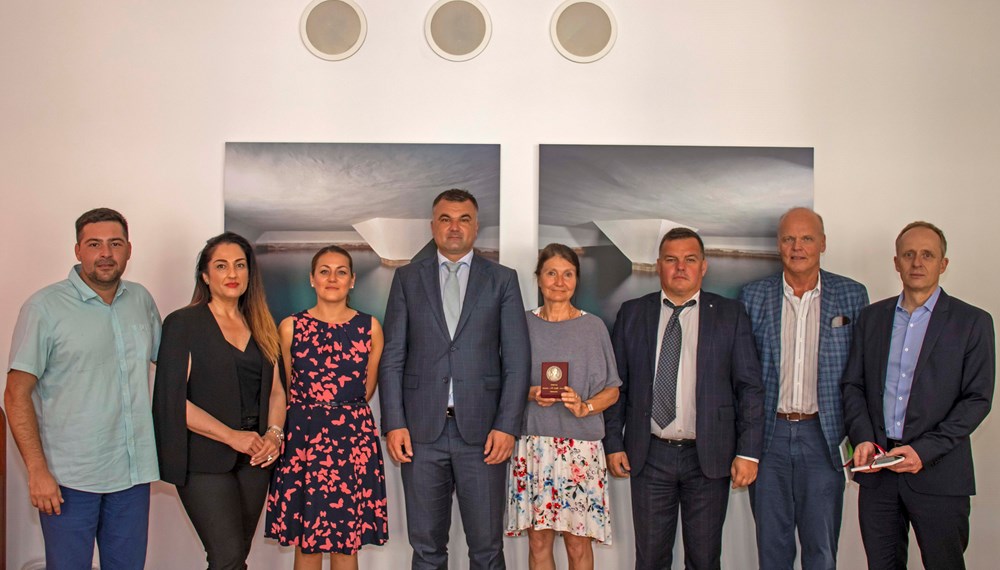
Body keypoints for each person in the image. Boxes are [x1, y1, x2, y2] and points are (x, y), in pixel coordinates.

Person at [379, 188, 531, 569]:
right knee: (427, 549)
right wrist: (394, 423)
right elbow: (393, 356)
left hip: (484, 436)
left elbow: (517, 361)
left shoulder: (502, 280)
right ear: (433, 226)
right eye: (445, 219)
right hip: (419, 435)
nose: (454, 227)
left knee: (486, 549)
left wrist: (507, 426)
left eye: (463, 219)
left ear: (476, 227)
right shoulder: (407, 279)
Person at [5, 208, 161, 569]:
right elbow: (15, 394)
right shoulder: (44, 307)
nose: (105, 253)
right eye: (94, 244)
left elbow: (171, 371)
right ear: (78, 250)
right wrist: (37, 471)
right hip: (68, 479)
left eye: (115, 243)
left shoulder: (141, 301)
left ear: (129, 250)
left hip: (132, 476)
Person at [603, 227, 764, 570]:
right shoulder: (632, 313)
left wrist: (748, 451)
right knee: (649, 559)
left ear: (703, 266)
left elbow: (749, 387)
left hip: (708, 456)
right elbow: (617, 386)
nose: (680, 268)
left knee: (705, 559)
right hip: (649, 454)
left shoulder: (730, 314)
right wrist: (613, 443)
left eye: (689, 260)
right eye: (671, 260)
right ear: (658, 265)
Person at [842, 221, 995, 570]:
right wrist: (863, 438)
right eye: (909, 254)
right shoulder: (872, 318)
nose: (917, 262)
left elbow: (977, 399)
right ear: (896, 262)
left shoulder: (972, 322)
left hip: (939, 475)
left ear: (943, 264)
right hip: (878, 473)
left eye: (928, 254)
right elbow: (853, 385)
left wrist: (923, 451)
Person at [738, 207, 868, 570]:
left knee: (821, 548)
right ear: (778, 244)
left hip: (824, 437)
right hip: (769, 436)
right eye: (789, 239)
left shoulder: (852, 295)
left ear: (822, 244)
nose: (797, 247)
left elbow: (862, 376)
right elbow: (742, 378)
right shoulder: (753, 297)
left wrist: (864, 437)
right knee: (772, 548)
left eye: (806, 238)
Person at [152, 232, 285, 570]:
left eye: (240, 266)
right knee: (227, 556)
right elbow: (172, 402)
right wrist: (232, 437)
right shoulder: (183, 324)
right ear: (205, 276)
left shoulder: (262, 324)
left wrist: (274, 434)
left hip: (256, 461)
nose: (232, 274)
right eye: (222, 266)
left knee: (235, 556)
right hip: (203, 460)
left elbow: (276, 392)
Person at [265, 245, 388, 569]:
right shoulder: (290, 327)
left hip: (352, 440)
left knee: (346, 543)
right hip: (304, 438)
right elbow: (287, 388)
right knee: (308, 541)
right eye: (324, 271)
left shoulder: (370, 327)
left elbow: (368, 388)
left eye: (341, 271)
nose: (332, 278)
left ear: (352, 280)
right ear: (312, 279)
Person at [506, 243, 621, 570]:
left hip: (580, 450)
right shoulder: (520, 324)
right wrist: (530, 393)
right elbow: (503, 382)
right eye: (551, 273)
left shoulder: (594, 327)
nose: (559, 281)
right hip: (534, 447)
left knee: (577, 543)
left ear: (577, 280)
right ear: (538, 279)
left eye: (567, 274)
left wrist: (585, 407)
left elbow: (612, 390)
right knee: (538, 541)